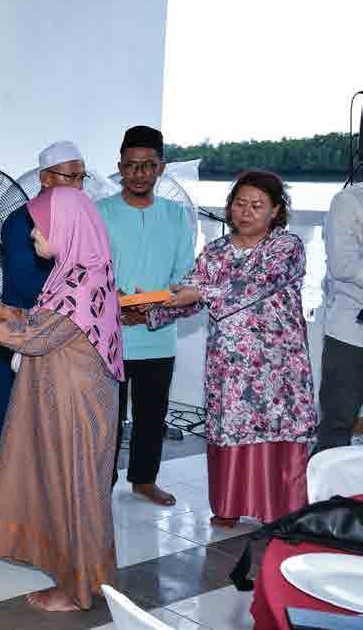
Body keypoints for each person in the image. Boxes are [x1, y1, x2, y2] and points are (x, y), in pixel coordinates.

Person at [0, 186, 124, 612]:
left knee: (74, 490)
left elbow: (34, 337)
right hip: (66, 398)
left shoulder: (82, 282)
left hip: (76, 406)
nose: (32, 234)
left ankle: (77, 590)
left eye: (41, 227)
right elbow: (38, 320)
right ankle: (77, 573)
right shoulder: (75, 271)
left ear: (68, 228)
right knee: (64, 486)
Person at [148, 170, 316, 526]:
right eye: (240, 203)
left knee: (276, 430)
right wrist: (149, 307)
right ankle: (229, 504)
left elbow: (253, 285)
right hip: (229, 366)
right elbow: (190, 293)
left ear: (275, 210)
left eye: (257, 205)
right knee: (231, 428)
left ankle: (281, 509)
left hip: (277, 366)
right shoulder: (215, 251)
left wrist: (198, 293)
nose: (246, 212)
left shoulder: (286, 247)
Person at [0, 140, 86, 496]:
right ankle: (1, 494)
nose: (77, 186)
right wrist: (71, 298)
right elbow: (25, 283)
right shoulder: (23, 220)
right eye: (70, 177)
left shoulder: (76, 218)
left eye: (81, 178)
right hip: (21, 332)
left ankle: (39, 497)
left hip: (58, 337)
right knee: (10, 417)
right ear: (45, 178)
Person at [96, 125, 194, 507]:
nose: (139, 174)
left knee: (152, 415)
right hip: (110, 334)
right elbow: (90, 270)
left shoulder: (176, 215)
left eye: (148, 165)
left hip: (159, 334)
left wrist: (155, 307)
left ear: (161, 168)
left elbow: (184, 273)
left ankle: (144, 480)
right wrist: (118, 302)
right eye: (131, 165)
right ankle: (101, 483)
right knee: (107, 418)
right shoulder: (100, 212)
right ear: (119, 167)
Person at [314, 181, 363, 454]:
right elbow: (343, 265)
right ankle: (320, 482)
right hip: (351, 331)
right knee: (337, 424)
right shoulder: (348, 201)